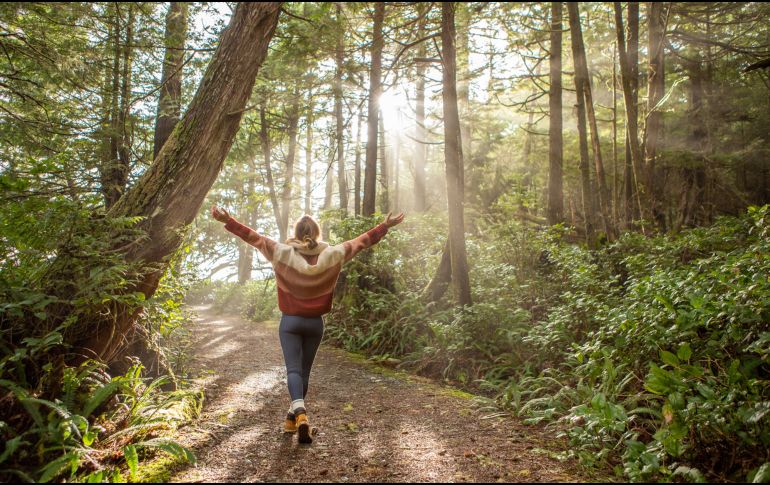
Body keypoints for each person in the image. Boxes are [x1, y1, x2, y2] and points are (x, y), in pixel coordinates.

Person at [211, 206, 404, 443]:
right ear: (317, 233)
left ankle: (300, 413)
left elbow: (252, 237)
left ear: (296, 231)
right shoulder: (333, 254)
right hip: (315, 324)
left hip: (290, 322)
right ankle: (292, 421)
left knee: (293, 371)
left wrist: (228, 220)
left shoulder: (280, 252)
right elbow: (361, 242)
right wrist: (385, 226)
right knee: (304, 373)